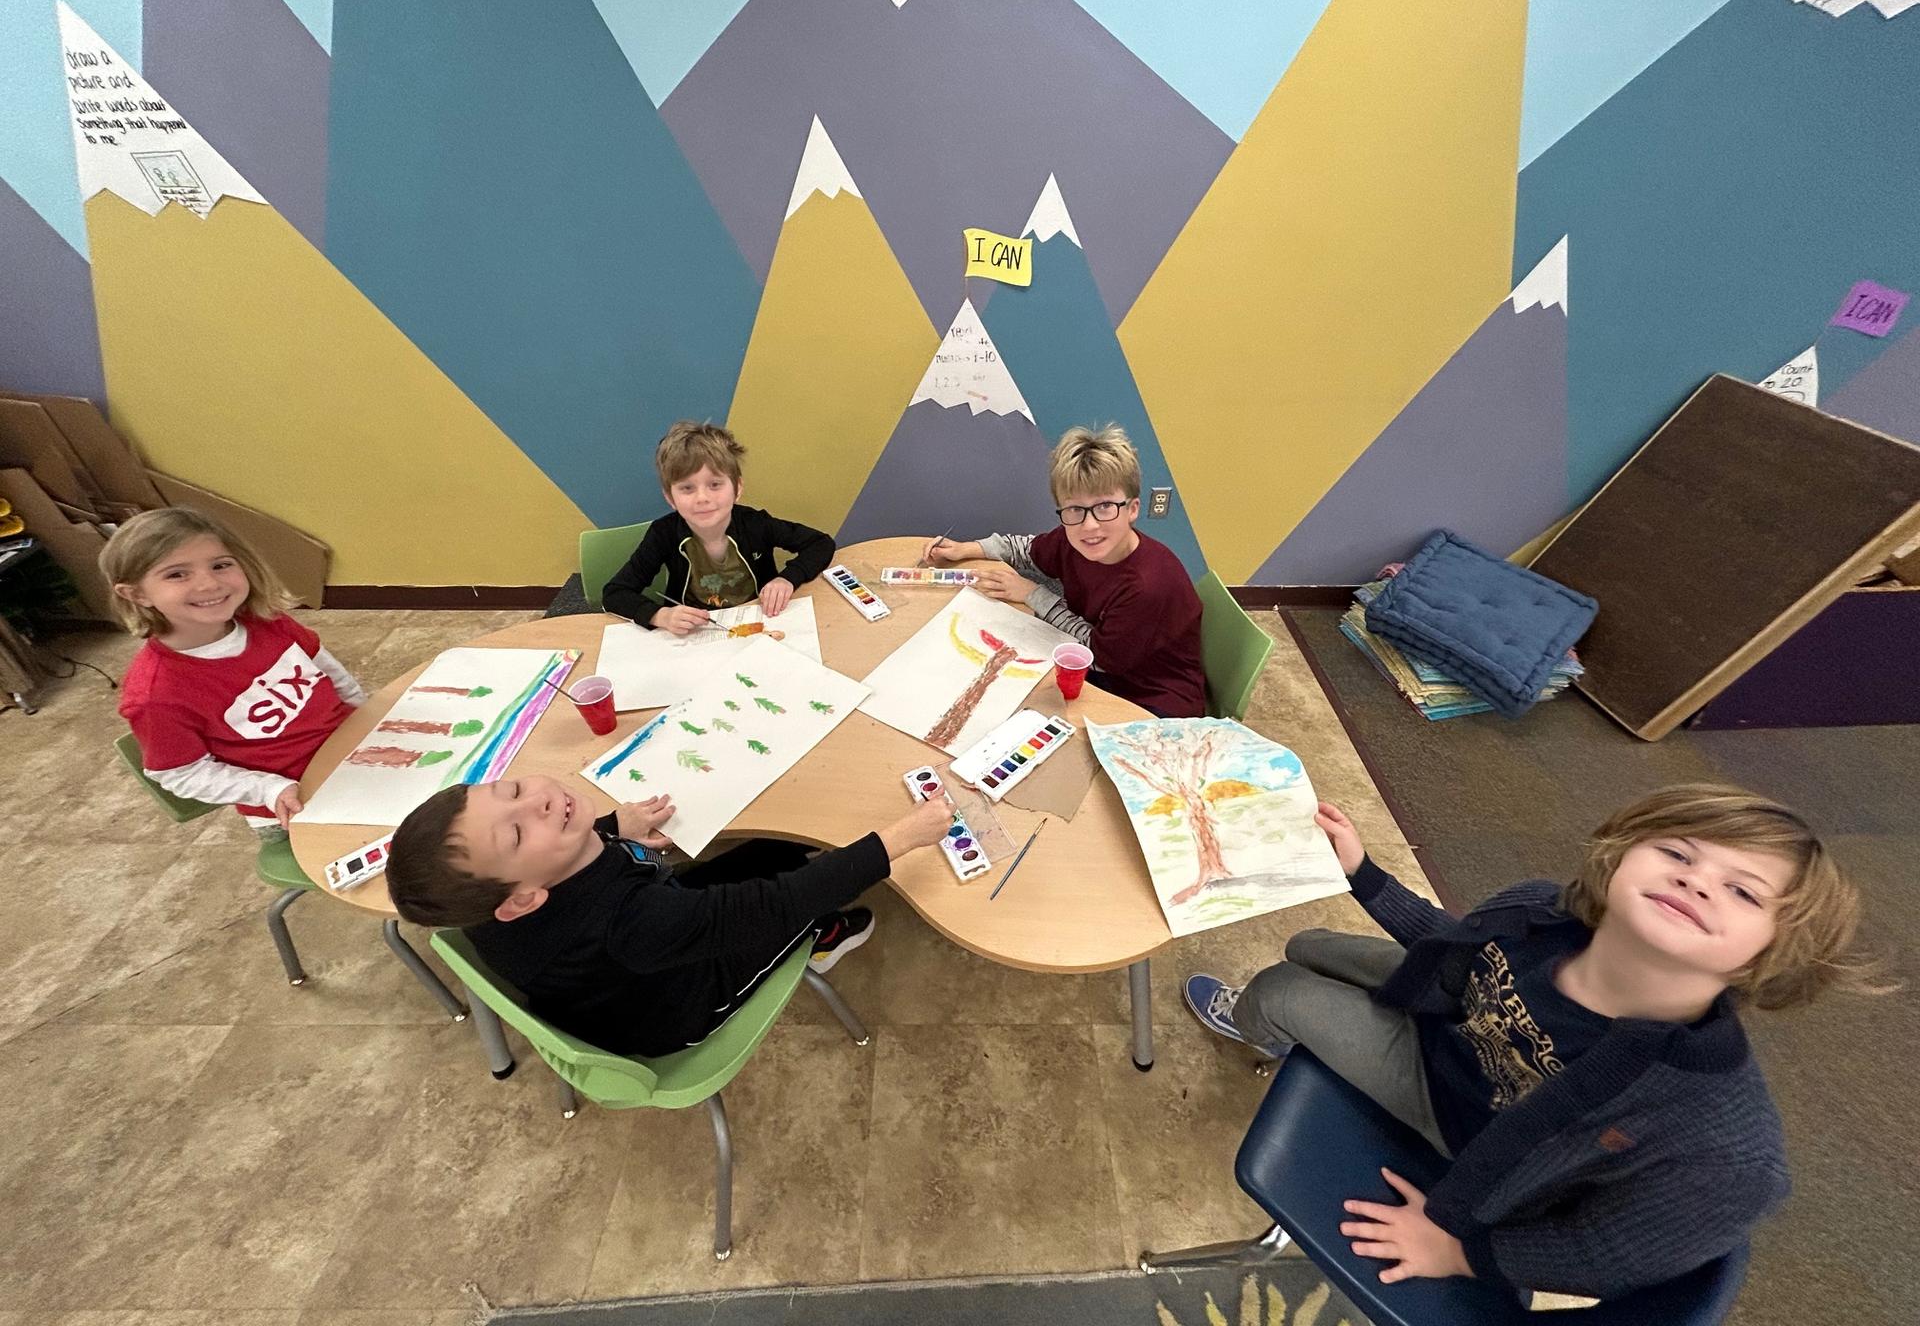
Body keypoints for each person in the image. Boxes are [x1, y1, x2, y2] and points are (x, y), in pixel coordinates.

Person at [1182, 787, 1882, 1301]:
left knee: (1282, 991)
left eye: (1744, 893)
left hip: (1456, 1121)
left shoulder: (1722, 1144)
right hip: (1447, 1023)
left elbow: (1611, 1254)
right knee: (1309, 943)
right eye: (1677, 852)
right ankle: (1292, 1022)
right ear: (1621, 854)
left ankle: (1256, 1029)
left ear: (1777, 952)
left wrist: (1459, 1252)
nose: (1695, 880)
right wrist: (1366, 876)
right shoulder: (1540, 910)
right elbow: (1457, 947)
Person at [385, 774, 951, 1058]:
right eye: (516, 832)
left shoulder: (502, 898)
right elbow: (775, 905)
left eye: (509, 788)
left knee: (769, 852)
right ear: (522, 900)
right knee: (799, 901)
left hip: (621, 973)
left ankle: (812, 915)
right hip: (679, 1009)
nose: (537, 801)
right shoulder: (634, 923)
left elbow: (568, 875)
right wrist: (901, 838)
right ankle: (821, 939)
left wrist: (611, 827)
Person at [103, 506, 365, 834]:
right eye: (177, 574)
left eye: (220, 565)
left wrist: (366, 715)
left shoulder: (270, 621)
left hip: (356, 755)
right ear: (137, 594)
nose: (209, 583)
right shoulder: (155, 695)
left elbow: (327, 670)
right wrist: (269, 789)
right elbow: (179, 774)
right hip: (297, 801)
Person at [925, 424, 1204, 717]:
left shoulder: (1147, 586)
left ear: (1132, 509)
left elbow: (1099, 658)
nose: (1089, 525)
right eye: (1074, 509)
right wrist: (966, 549)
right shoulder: (1075, 539)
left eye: (1105, 507)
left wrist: (1033, 595)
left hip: (1151, 702)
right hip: (1110, 669)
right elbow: (1027, 548)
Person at [602, 421, 834, 633]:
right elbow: (615, 593)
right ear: (670, 498)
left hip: (761, 622)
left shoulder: (756, 524)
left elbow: (821, 543)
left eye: (714, 484)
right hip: (695, 634)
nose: (702, 498)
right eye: (687, 488)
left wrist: (788, 578)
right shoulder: (663, 534)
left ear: (737, 488)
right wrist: (660, 615)